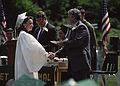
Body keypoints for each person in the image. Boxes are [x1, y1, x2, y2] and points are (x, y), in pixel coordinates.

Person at [15, 16, 54, 80]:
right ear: (24, 25)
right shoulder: (24, 35)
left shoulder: (22, 35)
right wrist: (46, 54)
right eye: (30, 23)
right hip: (26, 66)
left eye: (32, 23)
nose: (32, 25)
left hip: (25, 64)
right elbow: (34, 48)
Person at [56, 8, 91, 82]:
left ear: (73, 17)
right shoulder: (72, 28)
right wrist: (55, 54)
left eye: (69, 16)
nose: (68, 19)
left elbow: (77, 42)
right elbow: (68, 45)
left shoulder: (81, 27)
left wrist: (63, 43)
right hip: (73, 64)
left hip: (80, 63)